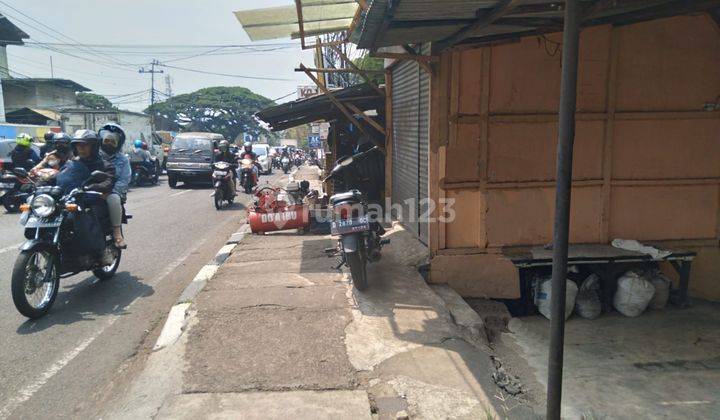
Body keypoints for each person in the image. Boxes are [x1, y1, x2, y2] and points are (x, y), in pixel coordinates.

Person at [56, 130, 120, 246]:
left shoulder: (104, 164)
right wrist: (41, 183)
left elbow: (109, 180)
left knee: (114, 199)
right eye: (78, 145)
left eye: (85, 145)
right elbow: (60, 176)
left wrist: (93, 187)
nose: (81, 149)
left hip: (94, 198)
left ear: (94, 147)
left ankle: (116, 234)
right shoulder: (71, 163)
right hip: (72, 198)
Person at [99, 124, 131, 249]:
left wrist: (109, 192)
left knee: (113, 199)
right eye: (107, 140)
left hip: (113, 191)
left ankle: (117, 233)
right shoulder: (93, 156)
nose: (109, 144)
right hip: (92, 190)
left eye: (112, 142)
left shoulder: (123, 160)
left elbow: (124, 180)